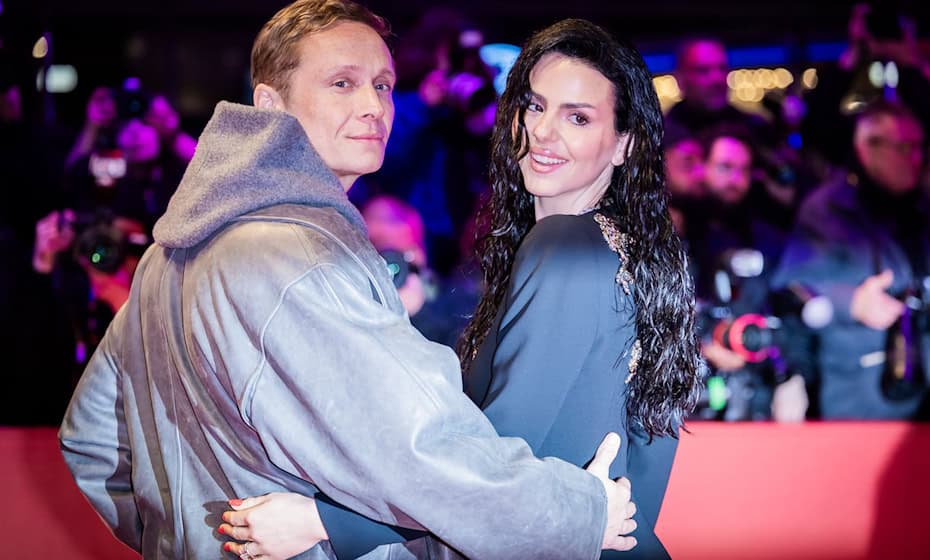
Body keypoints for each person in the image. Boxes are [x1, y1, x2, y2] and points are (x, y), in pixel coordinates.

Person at [58, 2, 640, 559]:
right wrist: (578, 512)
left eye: (383, 85)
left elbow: (91, 443)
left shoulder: (170, 252)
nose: (373, 106)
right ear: (269, 102)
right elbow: (420, 452)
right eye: (342, 83)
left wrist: (186, 535)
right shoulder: (299, 255)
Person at [217, 17, 704, 560]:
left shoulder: (566, 247)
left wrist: (321, 521)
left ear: (622, 146)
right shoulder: (627, 255)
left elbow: (487, 466)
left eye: (579, 117)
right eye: (535, 106)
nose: (544, 132)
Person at [771, 100, 930, 420]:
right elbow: (789, 288)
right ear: (866, 149)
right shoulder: (827, 212)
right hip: (864, 389)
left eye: (919, 147)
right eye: (902, 148)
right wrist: (852, 303)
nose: (914, 159)